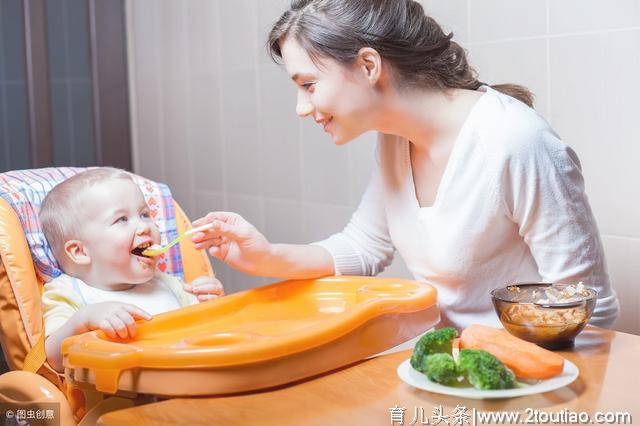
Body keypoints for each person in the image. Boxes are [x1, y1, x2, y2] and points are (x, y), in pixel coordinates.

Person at [191, 0, 618, 331]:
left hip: (518, 382)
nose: (302, 108)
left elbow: (586, 305)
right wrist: (263, 256)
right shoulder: (396, 139)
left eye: (308, 85)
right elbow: (364, 247)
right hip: (447, 368)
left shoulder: (515, 142)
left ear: (369, 65)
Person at [40, 168, 224, 371]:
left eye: (144, 214)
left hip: (187, 380)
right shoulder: (69, 293)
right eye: (121, 219)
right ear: (80, 251)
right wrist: (84, 319)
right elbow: (54, 360)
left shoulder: (169, 284)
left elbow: (206, 332)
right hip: (118, 398)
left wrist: (210, 303)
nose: (145, 227)